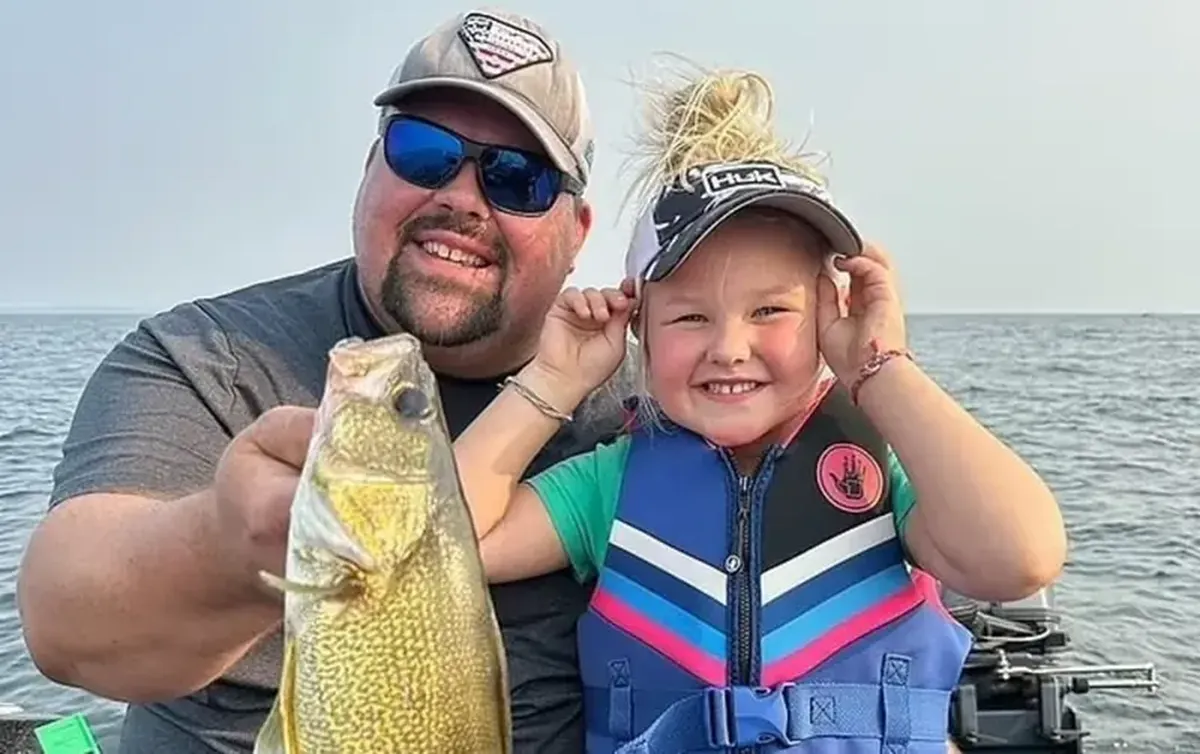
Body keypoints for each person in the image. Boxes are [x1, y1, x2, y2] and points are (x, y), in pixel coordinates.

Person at [16, 9, 625, 754]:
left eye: (517, 178)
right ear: (370, 169)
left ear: (578, 232)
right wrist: (232, 545)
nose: (462, 199)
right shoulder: (206, 357)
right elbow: (65, 627)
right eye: (424, 152)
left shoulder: (652, 411)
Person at [453, 64, 1069, 752]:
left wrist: (880, 367)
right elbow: (441, 544)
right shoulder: (610, 484)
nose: (729, 348)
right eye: (689, 318)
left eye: (771, 311)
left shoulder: (886, 472)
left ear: (830, 313)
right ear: (640, 330)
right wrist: (551, 381)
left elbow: (1022, 558)